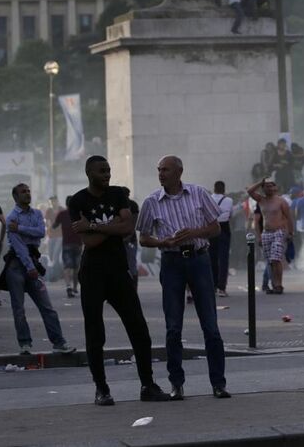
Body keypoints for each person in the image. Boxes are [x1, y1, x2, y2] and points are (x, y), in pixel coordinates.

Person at [69, 156, 171, 405]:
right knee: (95, 333)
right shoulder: (78, 200)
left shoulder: (117, 194)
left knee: (139, 329)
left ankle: (147, 385)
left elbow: (127, 228)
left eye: (109, 170)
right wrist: (112, 224)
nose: (107, 175)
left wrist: (94, 225)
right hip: (92, 273)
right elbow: (89, 241)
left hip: (118, 271)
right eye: (102, 171)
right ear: (89, 173)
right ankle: (101, 389)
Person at [137, 155, 230, 399]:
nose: (161, 174)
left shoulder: (198, 193)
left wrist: (194, 232)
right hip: (172, 262)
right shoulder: (151, 201)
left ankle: (218, 383)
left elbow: (215, 228)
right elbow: (143, 238)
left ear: (179, 172)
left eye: (165, 170)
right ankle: (176, 384)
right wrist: (163, 242)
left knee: (210, 326)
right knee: (173, 327)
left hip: (199, 259)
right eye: (159, 170)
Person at [3, 183, 76, 355]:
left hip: (33, 262)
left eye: (28, 191)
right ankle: (25, 344)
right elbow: (19, 246)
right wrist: (29, 266)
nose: (27, 194)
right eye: (23, 192)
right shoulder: (12, 217)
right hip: (17, 265)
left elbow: (41, 232)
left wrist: (20, 228)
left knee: (47, 307)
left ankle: (59, 342)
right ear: (15, 197)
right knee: (19, 309)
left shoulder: (36, 213)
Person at [246, 178, 293, 294]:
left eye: (272, 186)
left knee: (276, 259)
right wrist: (260, 182)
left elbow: (289, 217)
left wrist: (290, 232)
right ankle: (274, 284)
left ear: (275, 188)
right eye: (267, 186)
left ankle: (279, 285)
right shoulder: (261, 200)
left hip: (279, 232)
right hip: (266, 233)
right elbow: (250, 191)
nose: (270, 188)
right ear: (263, 188)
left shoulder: (281, 201)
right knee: (270, 261)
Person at [52, 196, 83, 298]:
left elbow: (54, 226)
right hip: (78, 243)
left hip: (67, 244)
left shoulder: (62, 214)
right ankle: (75, 288)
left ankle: (68, 286)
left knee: (67, 266)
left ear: (66, 204)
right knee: (76, 267)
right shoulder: (79, 214)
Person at [209, 181, 234, 296]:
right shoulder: (229, 200)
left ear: (214, 188)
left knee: (211, 258)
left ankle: (213, 285)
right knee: (223, 258)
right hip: (224, 228)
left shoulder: (209, 198)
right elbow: (230, 215)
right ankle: (222, 287)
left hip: (211, 227)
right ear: (223, 189)